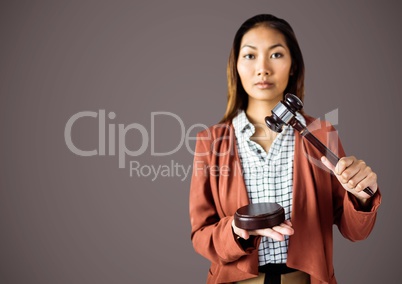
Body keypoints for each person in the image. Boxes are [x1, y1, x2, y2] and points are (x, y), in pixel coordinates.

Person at [189, 14, 381, 284]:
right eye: (250, 56)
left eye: (276, 55)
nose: (263, 68)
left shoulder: (321, 135)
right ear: (235, 66)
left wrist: (361, 199)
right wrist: (235, 230)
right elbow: (200, 235)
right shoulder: (211, 142)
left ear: (293, 65)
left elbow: (355, 231)